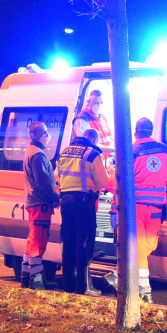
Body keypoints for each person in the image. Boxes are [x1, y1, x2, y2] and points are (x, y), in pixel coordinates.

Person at [110, 117, 167, 302]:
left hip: (135, 206)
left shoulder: (130, 150)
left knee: (142, 246)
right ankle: (144, 289)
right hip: (156, 206)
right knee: (146, 246)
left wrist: (115, 210)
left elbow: (120, 182)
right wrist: (162, 190)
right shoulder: (165, 150)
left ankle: (120, 274)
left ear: (135, 132)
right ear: (151, 131)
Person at [55, 126, 108, 295]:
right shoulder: (92, 154)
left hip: (66, 201)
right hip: (84, 203)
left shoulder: (64, 152)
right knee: (83, 244)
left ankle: (68, 286)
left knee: (68, 243)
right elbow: (102, 182)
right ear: (94, 140)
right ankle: (83, 287)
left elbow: (59, 175)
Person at [21, 120, 59, 289]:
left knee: (32, 239)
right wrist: (54, 197)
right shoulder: (37, 154)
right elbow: (42, 181)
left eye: (46, 131)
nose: (46, 134)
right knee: (39, 240)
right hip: (40, 203)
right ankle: (36, 280)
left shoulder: (31, 151)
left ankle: (25, 275)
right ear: (33, 135)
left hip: (34, 202)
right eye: (43, 132)